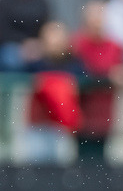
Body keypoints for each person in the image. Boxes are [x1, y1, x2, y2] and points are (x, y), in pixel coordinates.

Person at [71, 0, 123, 164]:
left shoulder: (115, 46)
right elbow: (80, 74)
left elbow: (120, 74)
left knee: (101, 162)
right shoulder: (76, 43)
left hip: (104, 115)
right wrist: (107, 77)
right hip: (80, 115)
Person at [22, 22, 85, 163]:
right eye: (51, 36)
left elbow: (83, 81)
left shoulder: (74, 65)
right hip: (38, 126)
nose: (56, 41)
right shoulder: (35, 64)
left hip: (63, 128)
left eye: (59, 36)